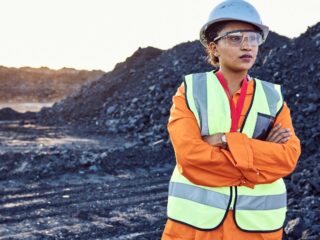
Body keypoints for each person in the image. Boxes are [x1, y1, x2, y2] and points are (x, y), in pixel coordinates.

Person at [161, 0, 301, 239]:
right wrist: (259, 157)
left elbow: (286, 159)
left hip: (256, 229)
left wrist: (224, 140)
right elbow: (190, 156)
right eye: (235, 38)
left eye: (253, 38)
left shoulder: (272, 98)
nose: (247, 46)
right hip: (195, 227)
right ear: (214, 48)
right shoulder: (192, 91)